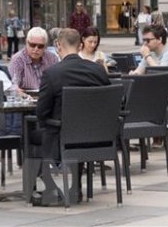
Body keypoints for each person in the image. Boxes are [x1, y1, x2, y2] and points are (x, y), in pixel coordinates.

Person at [35, 28, 111, 204]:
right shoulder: (98, 71)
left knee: (33, 132)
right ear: (80, 45)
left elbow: (42, 112)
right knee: (73, 127)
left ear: (58, 46)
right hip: (98, 136)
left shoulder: (52, 73)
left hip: (63, 137)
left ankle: (47, 190)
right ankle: (74, 188)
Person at [9, 27, 58, 93]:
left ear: (45, 46)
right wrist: (17, 91)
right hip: (26, 97)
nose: (36, 49)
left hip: (47, 96)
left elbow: (57, 82)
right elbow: (13, 84)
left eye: (40, 46)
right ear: (26, 43)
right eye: (32, 45)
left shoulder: (52, 58)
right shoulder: (17, 59)